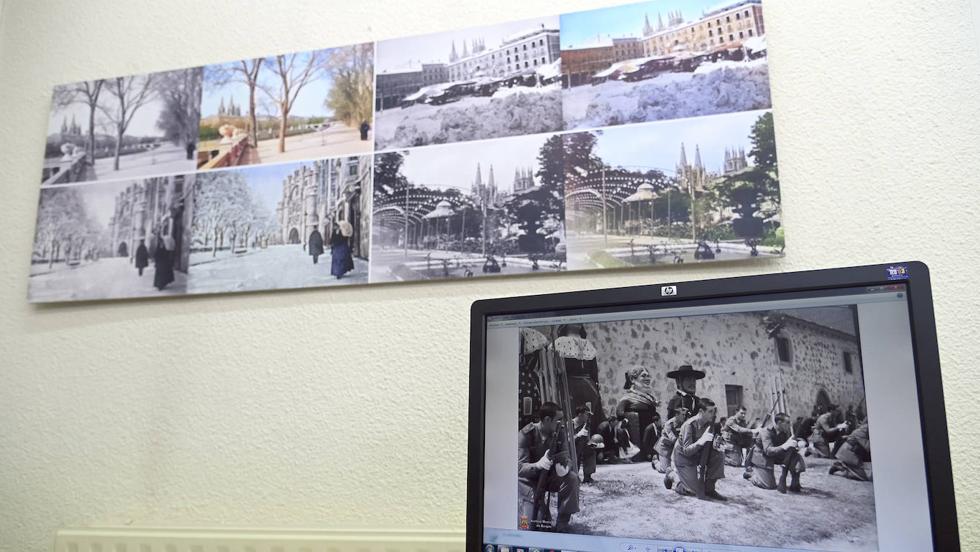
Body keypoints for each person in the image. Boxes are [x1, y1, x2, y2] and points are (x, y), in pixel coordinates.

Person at [518, 402, 579, 532]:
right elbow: (519, 468)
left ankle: (562, 523)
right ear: (547, 419)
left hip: (548, 478)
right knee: (528, 526)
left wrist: (565, 468)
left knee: (572, 478)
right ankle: (539, 511)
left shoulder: (559, 432)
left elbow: (567, 457)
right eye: (558, 420)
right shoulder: (526, 434)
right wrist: (537, 465)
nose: (561, 423)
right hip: (529, 482)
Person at [666, 398, 726, 500]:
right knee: (692, 491)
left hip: (698, 454)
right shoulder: (689, 425)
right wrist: (701, 441)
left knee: (719, 455)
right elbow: (686, 451)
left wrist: (717, 444)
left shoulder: (709, 423)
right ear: (701, 412)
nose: (713, 414)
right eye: (710, 411)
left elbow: (711, 445)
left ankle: (710, 489)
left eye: (714, 411)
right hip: (683, 458)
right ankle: (671, 476)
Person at [553, 324, 605, 436]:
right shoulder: (560, 342)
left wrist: (596, 385)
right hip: (570, 386)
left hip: (588, 386)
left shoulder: (588, 344)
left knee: (591, 416)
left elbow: (593, 370)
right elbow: (557, 369)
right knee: (572, 415)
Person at [750, 413, 807, 493]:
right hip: (762, 455)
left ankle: (795, 484)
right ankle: (751, 475)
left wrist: (798, 444)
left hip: (776, 453)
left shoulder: (786, 431)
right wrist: (785, 445)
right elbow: (768, 451)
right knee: (769, 486)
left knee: (795, 457)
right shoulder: (766, 431)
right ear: (779, 423)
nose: (789, 425)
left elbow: (791, 445)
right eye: (787, 423)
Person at [616, 366, 660, 462]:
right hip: (636, 431)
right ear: (632, 379)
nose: (647, 379)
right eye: (643, 376)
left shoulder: (649, 398)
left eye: (648, 376)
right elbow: (619, 412)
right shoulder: (627, 398)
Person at [653, 406, 688, 474]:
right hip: (665, 448)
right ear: (677, 415)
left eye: (685, 415)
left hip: (674, 447)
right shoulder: (669, 424)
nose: (684, 416)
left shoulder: (684, 423)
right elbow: (673, 438)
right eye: (682, 415)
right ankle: (655, 461)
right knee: (665, 470)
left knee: (676, 469)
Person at [572, 406, 597, 483]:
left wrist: (591, 443)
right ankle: (573, 476)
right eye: (587, 414)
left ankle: (587, 476)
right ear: (579, 414)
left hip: (582, 446)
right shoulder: (570, 424)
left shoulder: (586, 424)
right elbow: (567, 440)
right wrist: (579, 435)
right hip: (572, 448)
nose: (588, 417)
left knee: (591, 450)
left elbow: (587, 438)